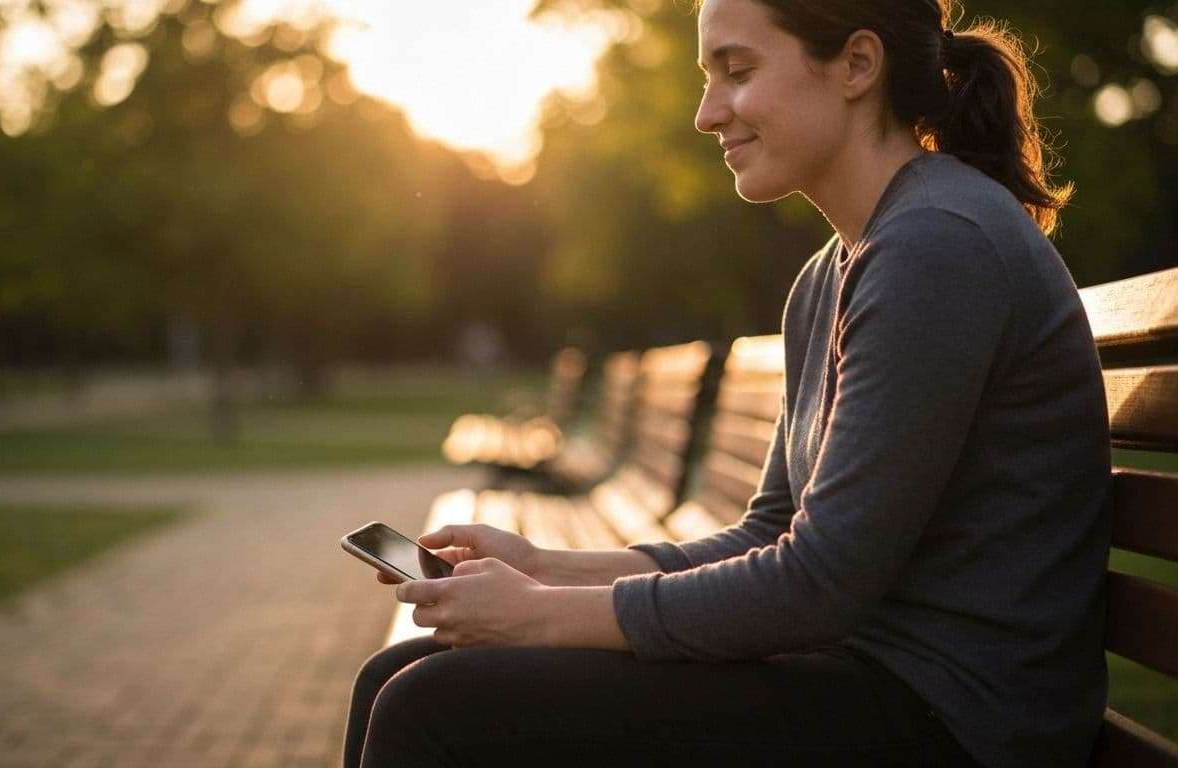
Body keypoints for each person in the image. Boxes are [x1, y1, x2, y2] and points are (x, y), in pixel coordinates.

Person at [344, 0, 1111, 766]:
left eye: (737, 72)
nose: (709, 114)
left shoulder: (938, 246)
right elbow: (769, 533)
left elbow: (816, 586)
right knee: (400, 674)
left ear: (857, 66)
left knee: (434, 706)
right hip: (866, 677)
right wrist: (543, 569)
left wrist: (542, 615)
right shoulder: (832, 274)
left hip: (956, 725)